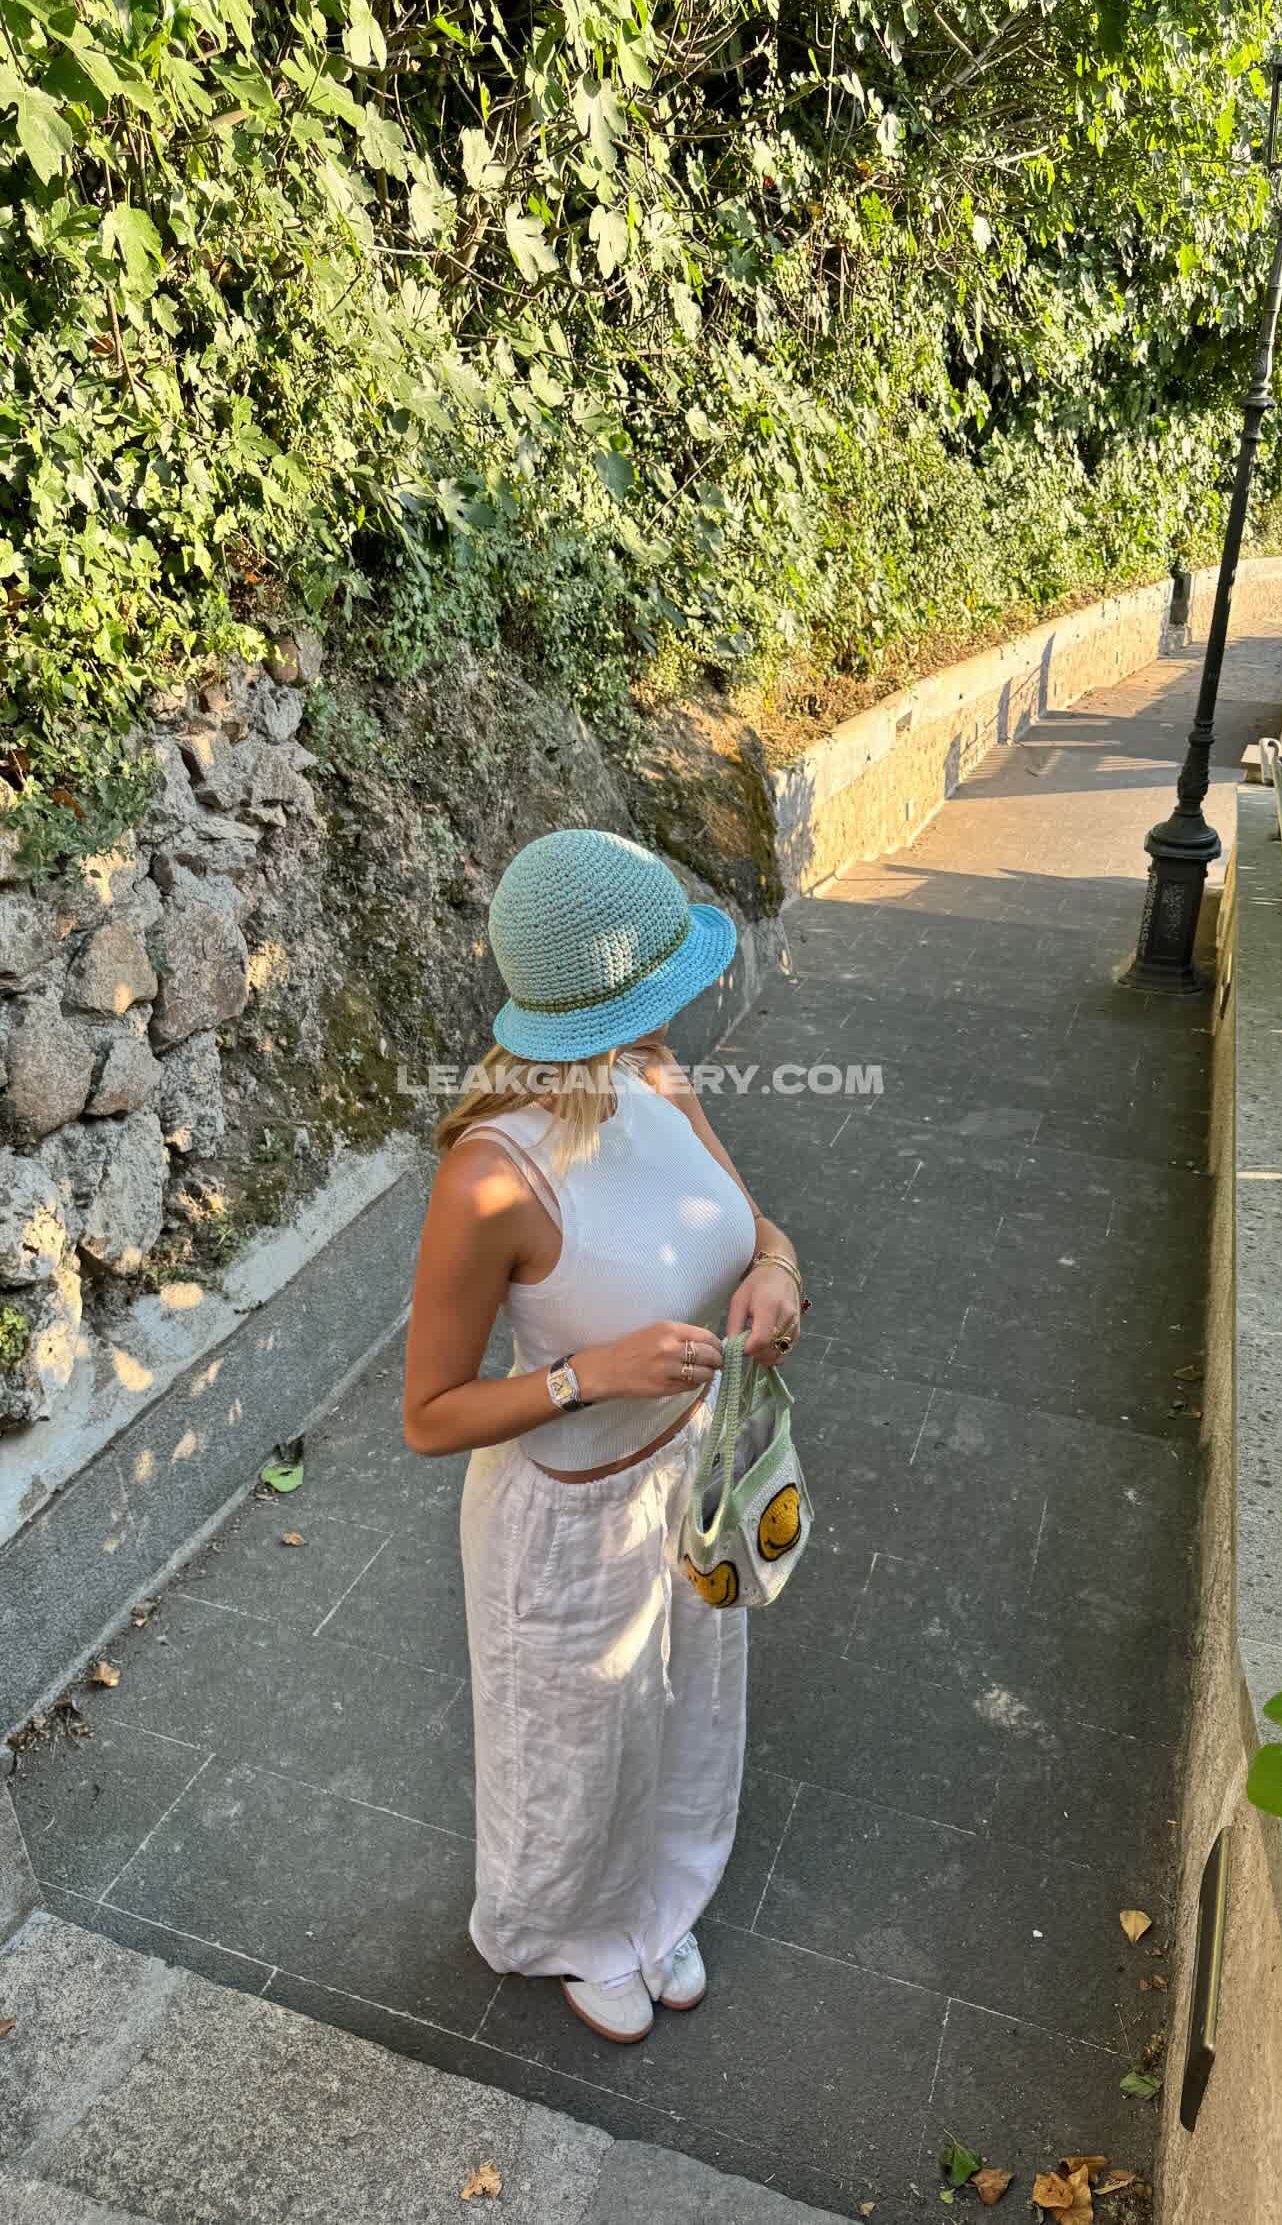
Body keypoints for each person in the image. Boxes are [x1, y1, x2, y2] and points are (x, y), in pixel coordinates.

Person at [402, 828, 802, 2044]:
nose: (679, 1003)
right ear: (597, 1001)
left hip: (692, 1479)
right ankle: (573, 1930)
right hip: (567, 1521)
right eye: (658, 981)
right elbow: (429, 1414)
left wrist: (778, 1273)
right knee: (574, 1750)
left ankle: (656, 1899)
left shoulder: (658, 1075)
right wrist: (589, 1374)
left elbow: (754, 1225)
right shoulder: (491, 1176)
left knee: (682, 1714)